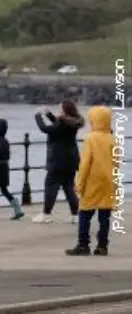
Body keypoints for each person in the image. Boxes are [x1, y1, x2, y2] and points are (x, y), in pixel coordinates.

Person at [67, 105, 116, 256]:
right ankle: (102, 245)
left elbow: (85, 163)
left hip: (93, 181)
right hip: (108, 181)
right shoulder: (112, 139)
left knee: (85, 213)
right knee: (104, 216)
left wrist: (79, 184)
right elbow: (117, 162)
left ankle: (83, 244)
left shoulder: (91, 138)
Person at [32, 100, 84, 224]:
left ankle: (46, 214)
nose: (59, 110)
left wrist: (38, 116)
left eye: (60, 108)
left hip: (57, 160)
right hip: (71, 160)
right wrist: (48, 114)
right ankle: (75, 214)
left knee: (50, 186)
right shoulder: (73, 122)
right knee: (69, 187)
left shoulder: (62, 123)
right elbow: (58, 124)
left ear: (65, 111)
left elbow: (46, 129)